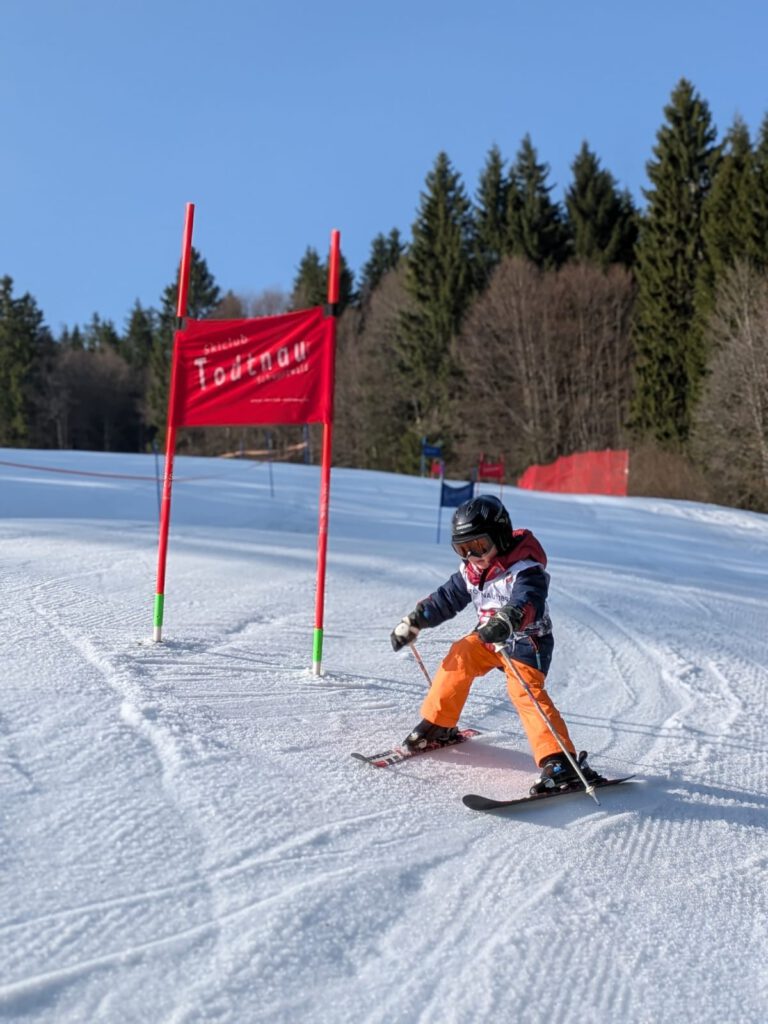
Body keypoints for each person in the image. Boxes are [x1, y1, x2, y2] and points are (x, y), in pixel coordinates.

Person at [390, 494, 604, 794]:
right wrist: (415, 620)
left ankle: (560, 760)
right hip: (489, 637)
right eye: (463, 549)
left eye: (479, 546)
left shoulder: (526, 569)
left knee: (524, 692)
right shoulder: (471, 571)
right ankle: (439, 724)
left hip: (527, 641)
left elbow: (528, 600)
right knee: (461, 654)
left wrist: (510, 618)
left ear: (500, 537)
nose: (473, 556)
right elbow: (445, 599)